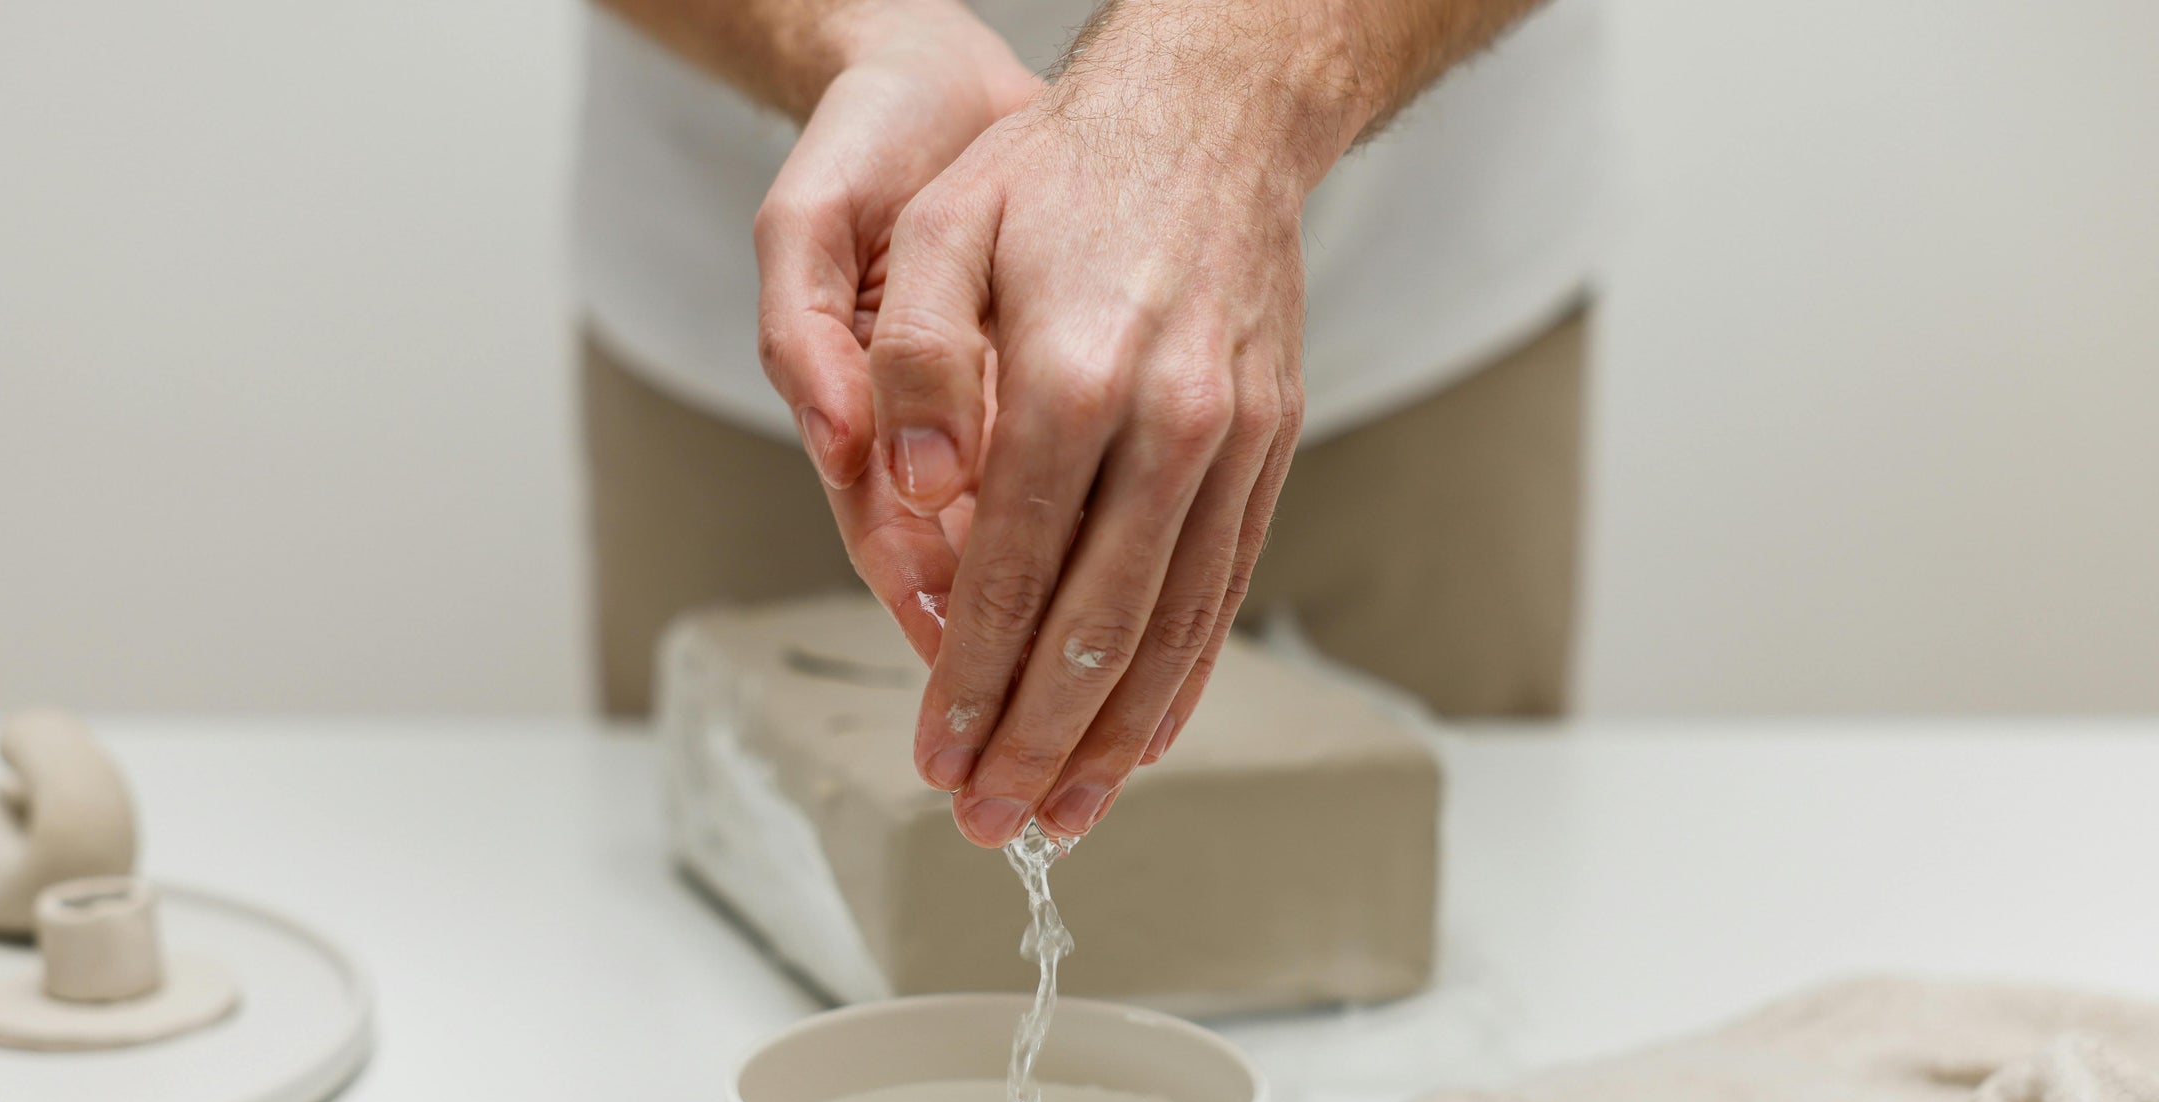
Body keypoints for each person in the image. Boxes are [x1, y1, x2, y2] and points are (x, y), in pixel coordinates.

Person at [578, 0, 1604, 845]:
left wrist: (1231, 91)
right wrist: (852, 32)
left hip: (1407, 297)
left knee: (1454, 894)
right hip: (799, 308)